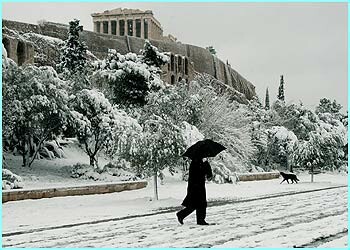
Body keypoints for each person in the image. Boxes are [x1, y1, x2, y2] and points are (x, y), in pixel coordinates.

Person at [176, 157, 213, 225]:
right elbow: (200, 173)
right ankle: (182, 215)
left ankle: (199, 219)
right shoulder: (196, 163)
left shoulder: (199, 162)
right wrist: (206, 165)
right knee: (196, 204)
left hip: (198, 186)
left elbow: (207, 173)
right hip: (195, 187)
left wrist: (206, 165)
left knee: (199, 204)